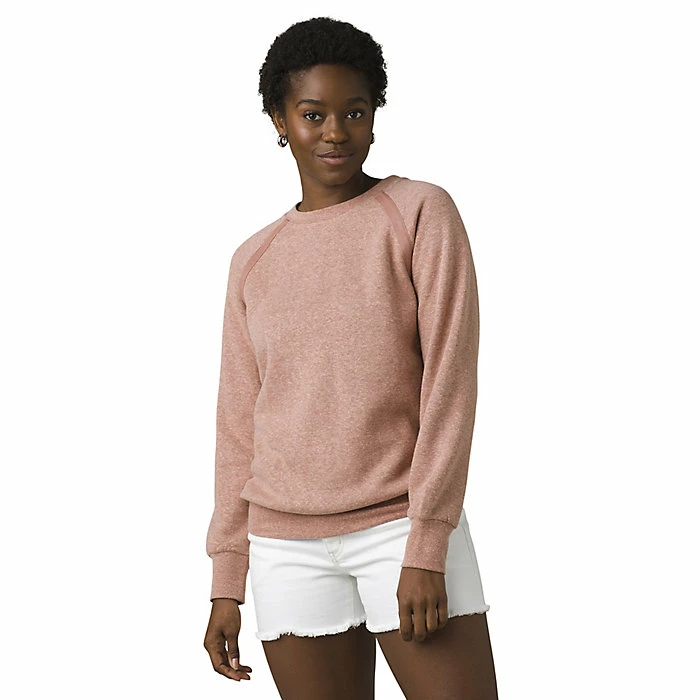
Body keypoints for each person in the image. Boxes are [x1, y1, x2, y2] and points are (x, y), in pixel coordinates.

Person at [203, 16, 498, 699]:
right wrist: (226, 579)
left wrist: (428, 541)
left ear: (374, 116)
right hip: (283, 548)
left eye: (354, 112)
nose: (335, 131)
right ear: (279, 121)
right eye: (313, 114)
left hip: (401, 525)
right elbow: (238, 426)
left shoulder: (420, 212)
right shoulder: (253, 260)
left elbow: (450, 384)